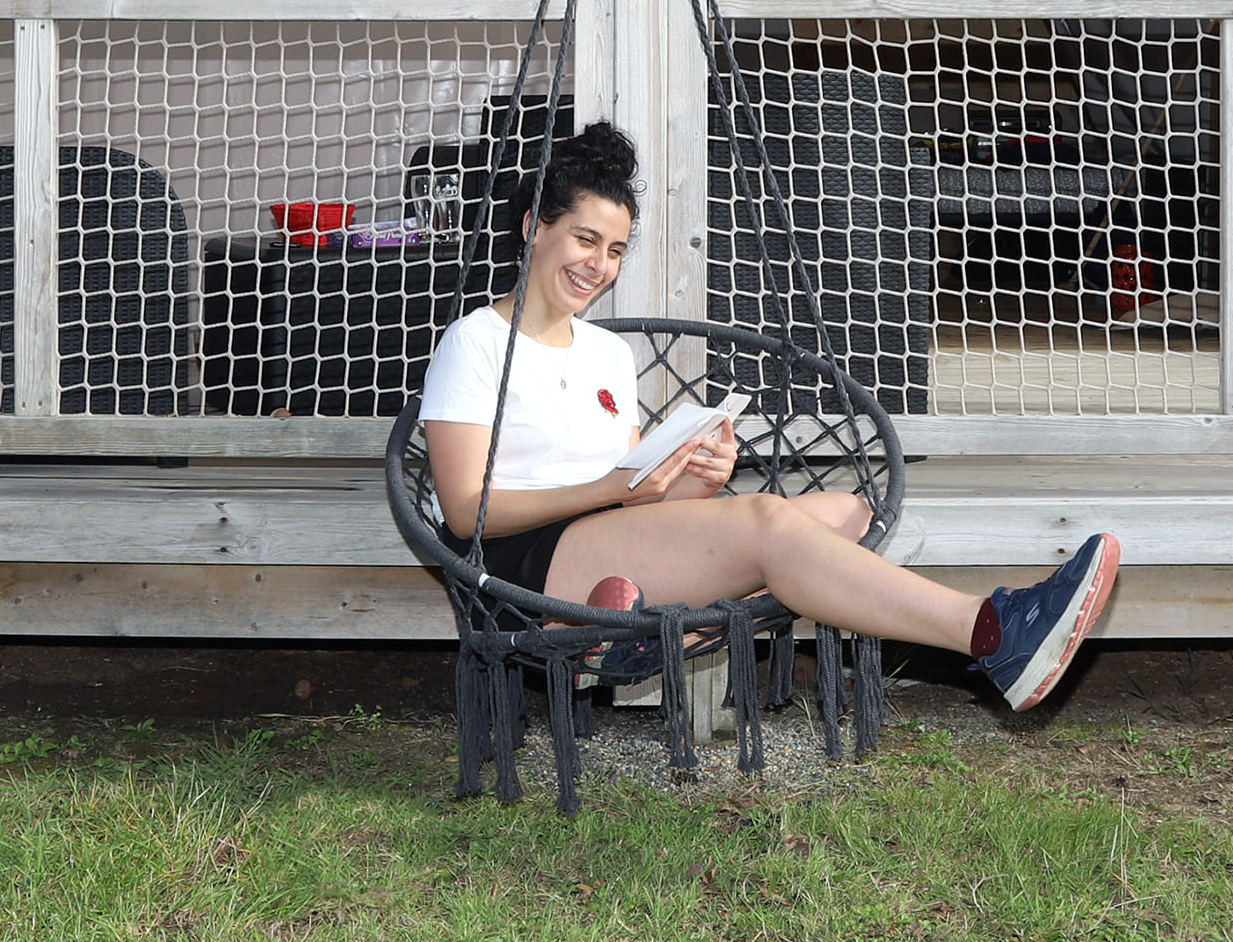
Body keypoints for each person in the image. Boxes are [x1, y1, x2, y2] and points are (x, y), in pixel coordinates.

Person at [418, 120, 1120, 712]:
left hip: (609, 540)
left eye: (614, 250)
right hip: (527, 569)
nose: (598, 264)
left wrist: (695, 472)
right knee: (769, 525)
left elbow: (635, 482)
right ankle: (991, 631)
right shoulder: (476, 342)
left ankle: (640, 630)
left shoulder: (605, 353)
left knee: (842, 513)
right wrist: (617, 490)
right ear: (533, 228)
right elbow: (464, 510)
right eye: (583, 239)